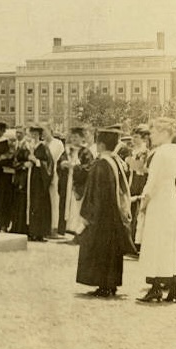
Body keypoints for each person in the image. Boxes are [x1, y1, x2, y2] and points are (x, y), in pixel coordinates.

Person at [76, 129, 137, 297]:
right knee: (112, 251)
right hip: (115, 214)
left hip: (101, 216)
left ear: (100, 144)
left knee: (100, 250)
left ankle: (103, 285)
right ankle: (111, 284)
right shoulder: (116, 161)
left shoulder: (101, 163)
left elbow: (95, 193)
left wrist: (89, 216)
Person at [137, 118, 176, 303]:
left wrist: (144, 203)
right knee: (171, 245)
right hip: (172, 200)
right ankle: (174, 287)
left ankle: (155, 287)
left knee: (155, 243)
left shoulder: (160, 153)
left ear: (166, 134)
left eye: (155, 132)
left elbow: (152, 183)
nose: (152, 136)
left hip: (159, 201)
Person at [12, 126, 53, 241]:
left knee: (37, 205)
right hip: (27, 180)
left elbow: (49, 164)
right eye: (32, 134)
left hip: (38, 182)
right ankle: (27, 230)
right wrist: (25, 163)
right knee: (26, 204)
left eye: (36, 134)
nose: (33, 136)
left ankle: (38, 232)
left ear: (39, 135)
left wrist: (37, 161)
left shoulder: (43, 147)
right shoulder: (26, 147)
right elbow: (17, 160)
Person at [57, 127, 94, 240]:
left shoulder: (86, 152)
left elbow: (89, 168)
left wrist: (75, 167)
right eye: (72, 137)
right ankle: (64, 229)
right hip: (67, 183)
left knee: (76, 207)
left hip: (78, 184)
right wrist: (62, 164)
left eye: (76, 137)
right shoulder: (68, 151)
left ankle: (76, 231)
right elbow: (59, 162)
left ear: (82, 138)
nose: (73, 139)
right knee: (66, 205)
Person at [127, 125, 150, 248]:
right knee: (130, 210)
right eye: (133, 137)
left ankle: (136, 243)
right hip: (132, 181)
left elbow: (140, 168)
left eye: (136, 137)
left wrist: (129, 161)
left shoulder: (144, 152)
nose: (133, 139)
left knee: (137, 210)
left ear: (143, 139)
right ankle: (129, 240)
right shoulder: (133, 151)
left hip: (140, 182)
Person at [43, 124, 65, 238]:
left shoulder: (57, 143)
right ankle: (45, 227)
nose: (43, 134)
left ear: (50, 131)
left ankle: (53, 228)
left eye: (45, 131)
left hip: (54, 175)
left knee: (54, 200)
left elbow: (52, 158)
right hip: (44, 176)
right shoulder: (42, 144)